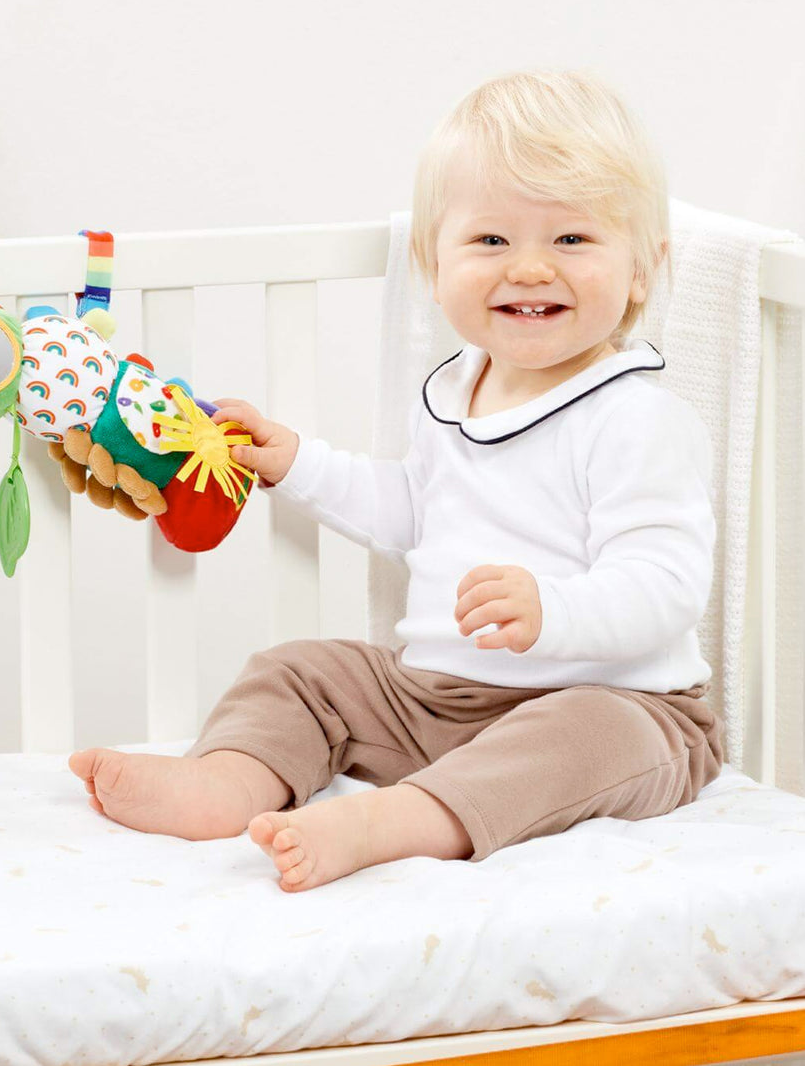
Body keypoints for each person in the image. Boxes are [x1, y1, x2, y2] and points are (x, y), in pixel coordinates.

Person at [69, 67, 725, 891]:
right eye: (491, 241)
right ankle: (227, 781)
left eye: (572, 240)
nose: (528, 269)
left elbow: (665, 585)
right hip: (434, 701)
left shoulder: (634, 418)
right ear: (431, 260)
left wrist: (552, 610)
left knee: (586, 734)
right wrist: (296, 461)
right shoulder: (456, 389)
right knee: (303, 671)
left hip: (614, 703)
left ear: (640, 271)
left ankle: (393, 822)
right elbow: (413, 509)